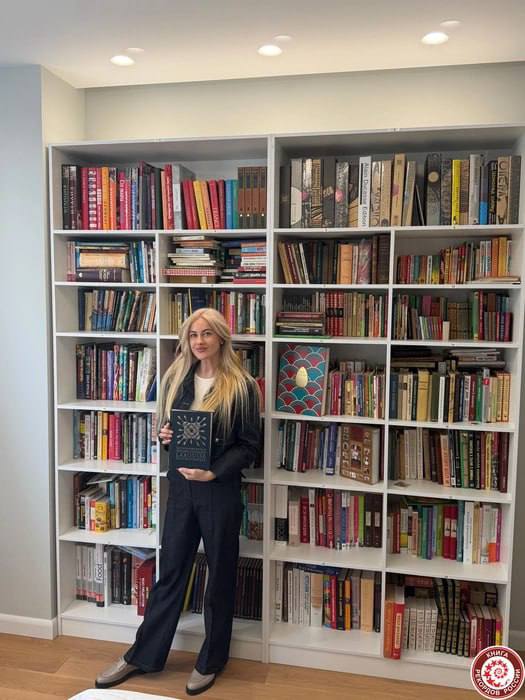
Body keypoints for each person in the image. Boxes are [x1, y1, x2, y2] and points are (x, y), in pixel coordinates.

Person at [95, 308, 262, 696]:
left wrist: (213, 472)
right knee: (170, 572)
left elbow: (249, 447)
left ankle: (211, 660)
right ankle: (143, 655)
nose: (199, 341)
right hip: (182, 491)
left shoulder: (242, 385)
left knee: (220, 576)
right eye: (193, 335)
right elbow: (169, 436)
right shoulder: (176, 379)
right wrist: (165, 436)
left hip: (219, 492)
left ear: (221, 337)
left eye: (207, 333)